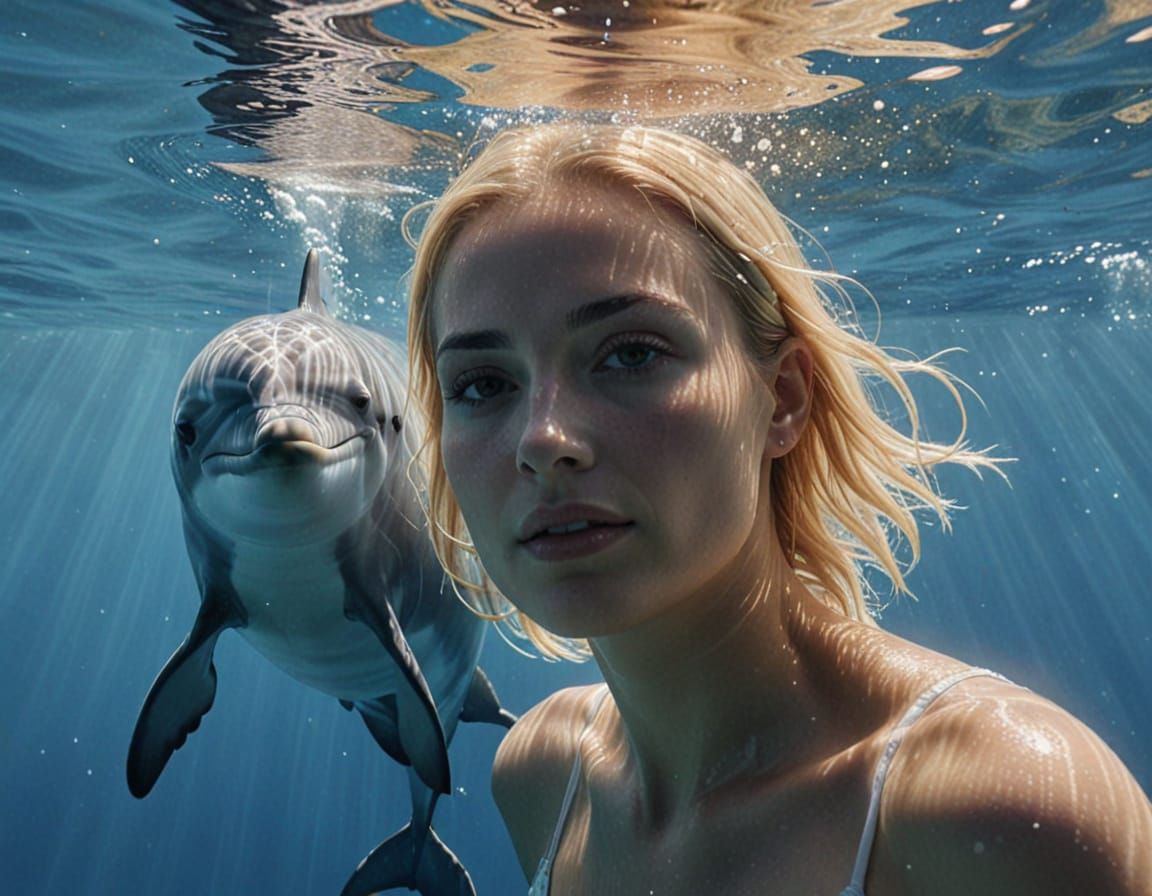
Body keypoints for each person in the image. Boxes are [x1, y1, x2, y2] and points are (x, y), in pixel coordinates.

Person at [403, 123, 1152, 894]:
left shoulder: (999, 809)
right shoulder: (541, 774)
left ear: (783, 397)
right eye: (482, 384)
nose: (543, 439)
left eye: (630, 353)